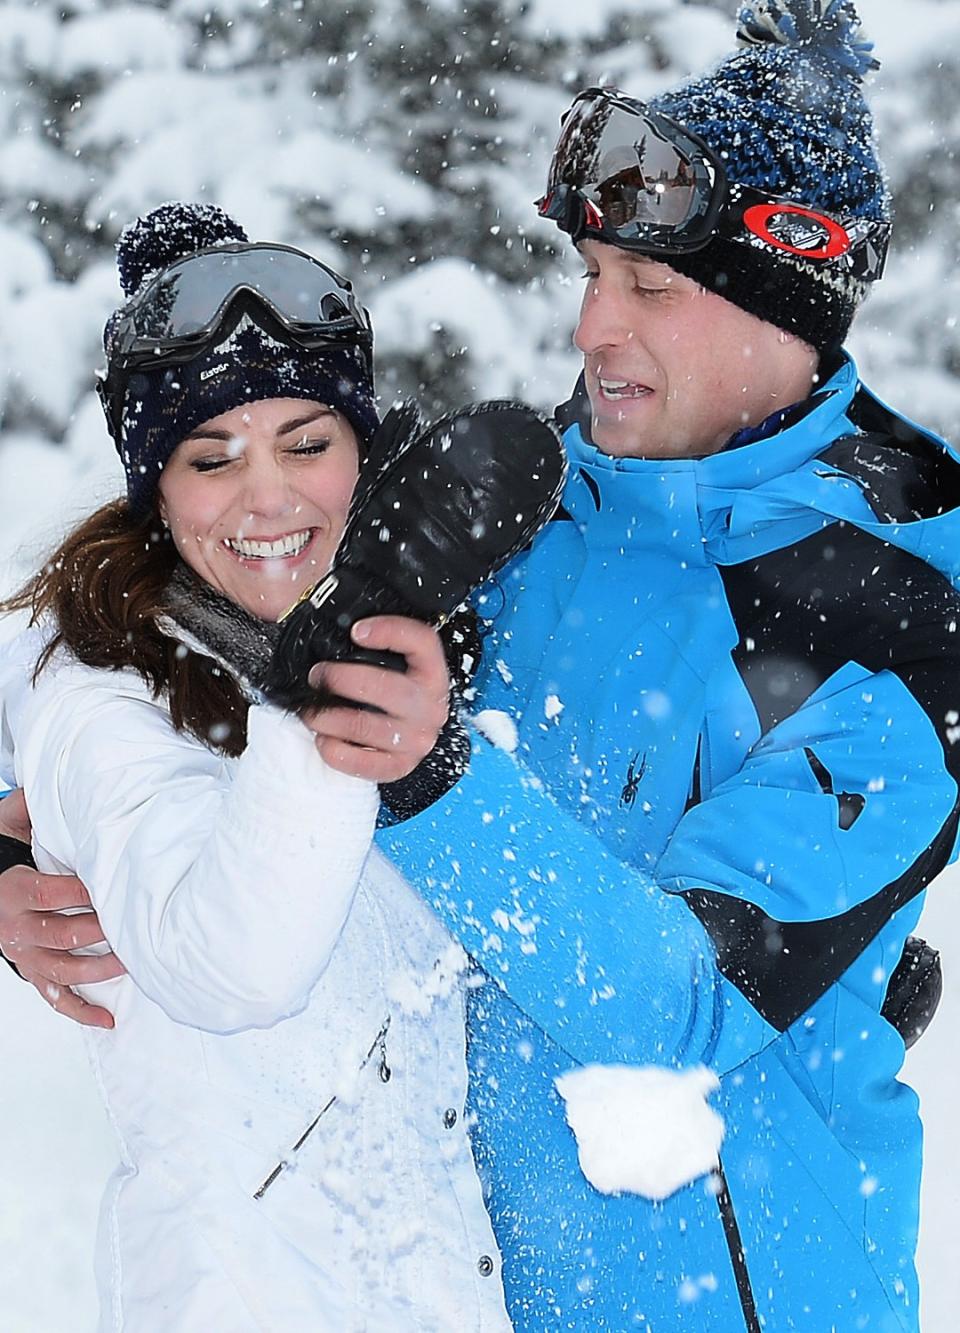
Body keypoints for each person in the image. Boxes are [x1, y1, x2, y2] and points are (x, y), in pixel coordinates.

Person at [2, 3, 957, 1330]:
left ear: (785, 308)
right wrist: (31, 842)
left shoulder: (907, 607)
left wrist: (427, 778)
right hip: (482, 1292)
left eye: (651, 291)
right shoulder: (533, 507)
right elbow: (206, 598)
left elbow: (678, 1001)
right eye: (589, 275)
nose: (592, 331)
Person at [0, 201, 516, 1331]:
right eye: (210, 457)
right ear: (157, 490)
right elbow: (227, 962)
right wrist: (334, 674)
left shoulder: (448, 649)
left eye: (308, 442)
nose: (269, 498)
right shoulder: (100, 697)